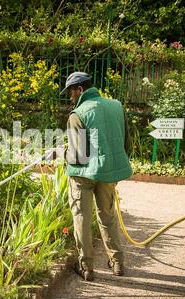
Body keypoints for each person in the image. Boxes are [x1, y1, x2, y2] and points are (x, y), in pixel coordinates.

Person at [55, 71, 133, 281]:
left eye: (71, 93)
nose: (70, 97)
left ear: (79, 89)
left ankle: (86, 267)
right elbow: (126, 143)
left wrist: (61, 153)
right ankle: (117, 263)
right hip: (108, 173)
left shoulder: (77, 114)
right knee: (108, 217)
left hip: (83, 176)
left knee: (81, 217)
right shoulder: (116, 106)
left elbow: (78, 156)